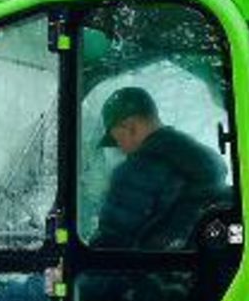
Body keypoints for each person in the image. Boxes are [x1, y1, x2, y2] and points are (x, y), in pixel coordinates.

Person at [92, 87, 227, 249]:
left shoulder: (137, 172)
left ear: (130, 127)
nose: (120, 148)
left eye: (117, 139)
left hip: (154, 271)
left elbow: (108, 244)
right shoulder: (202, 161)